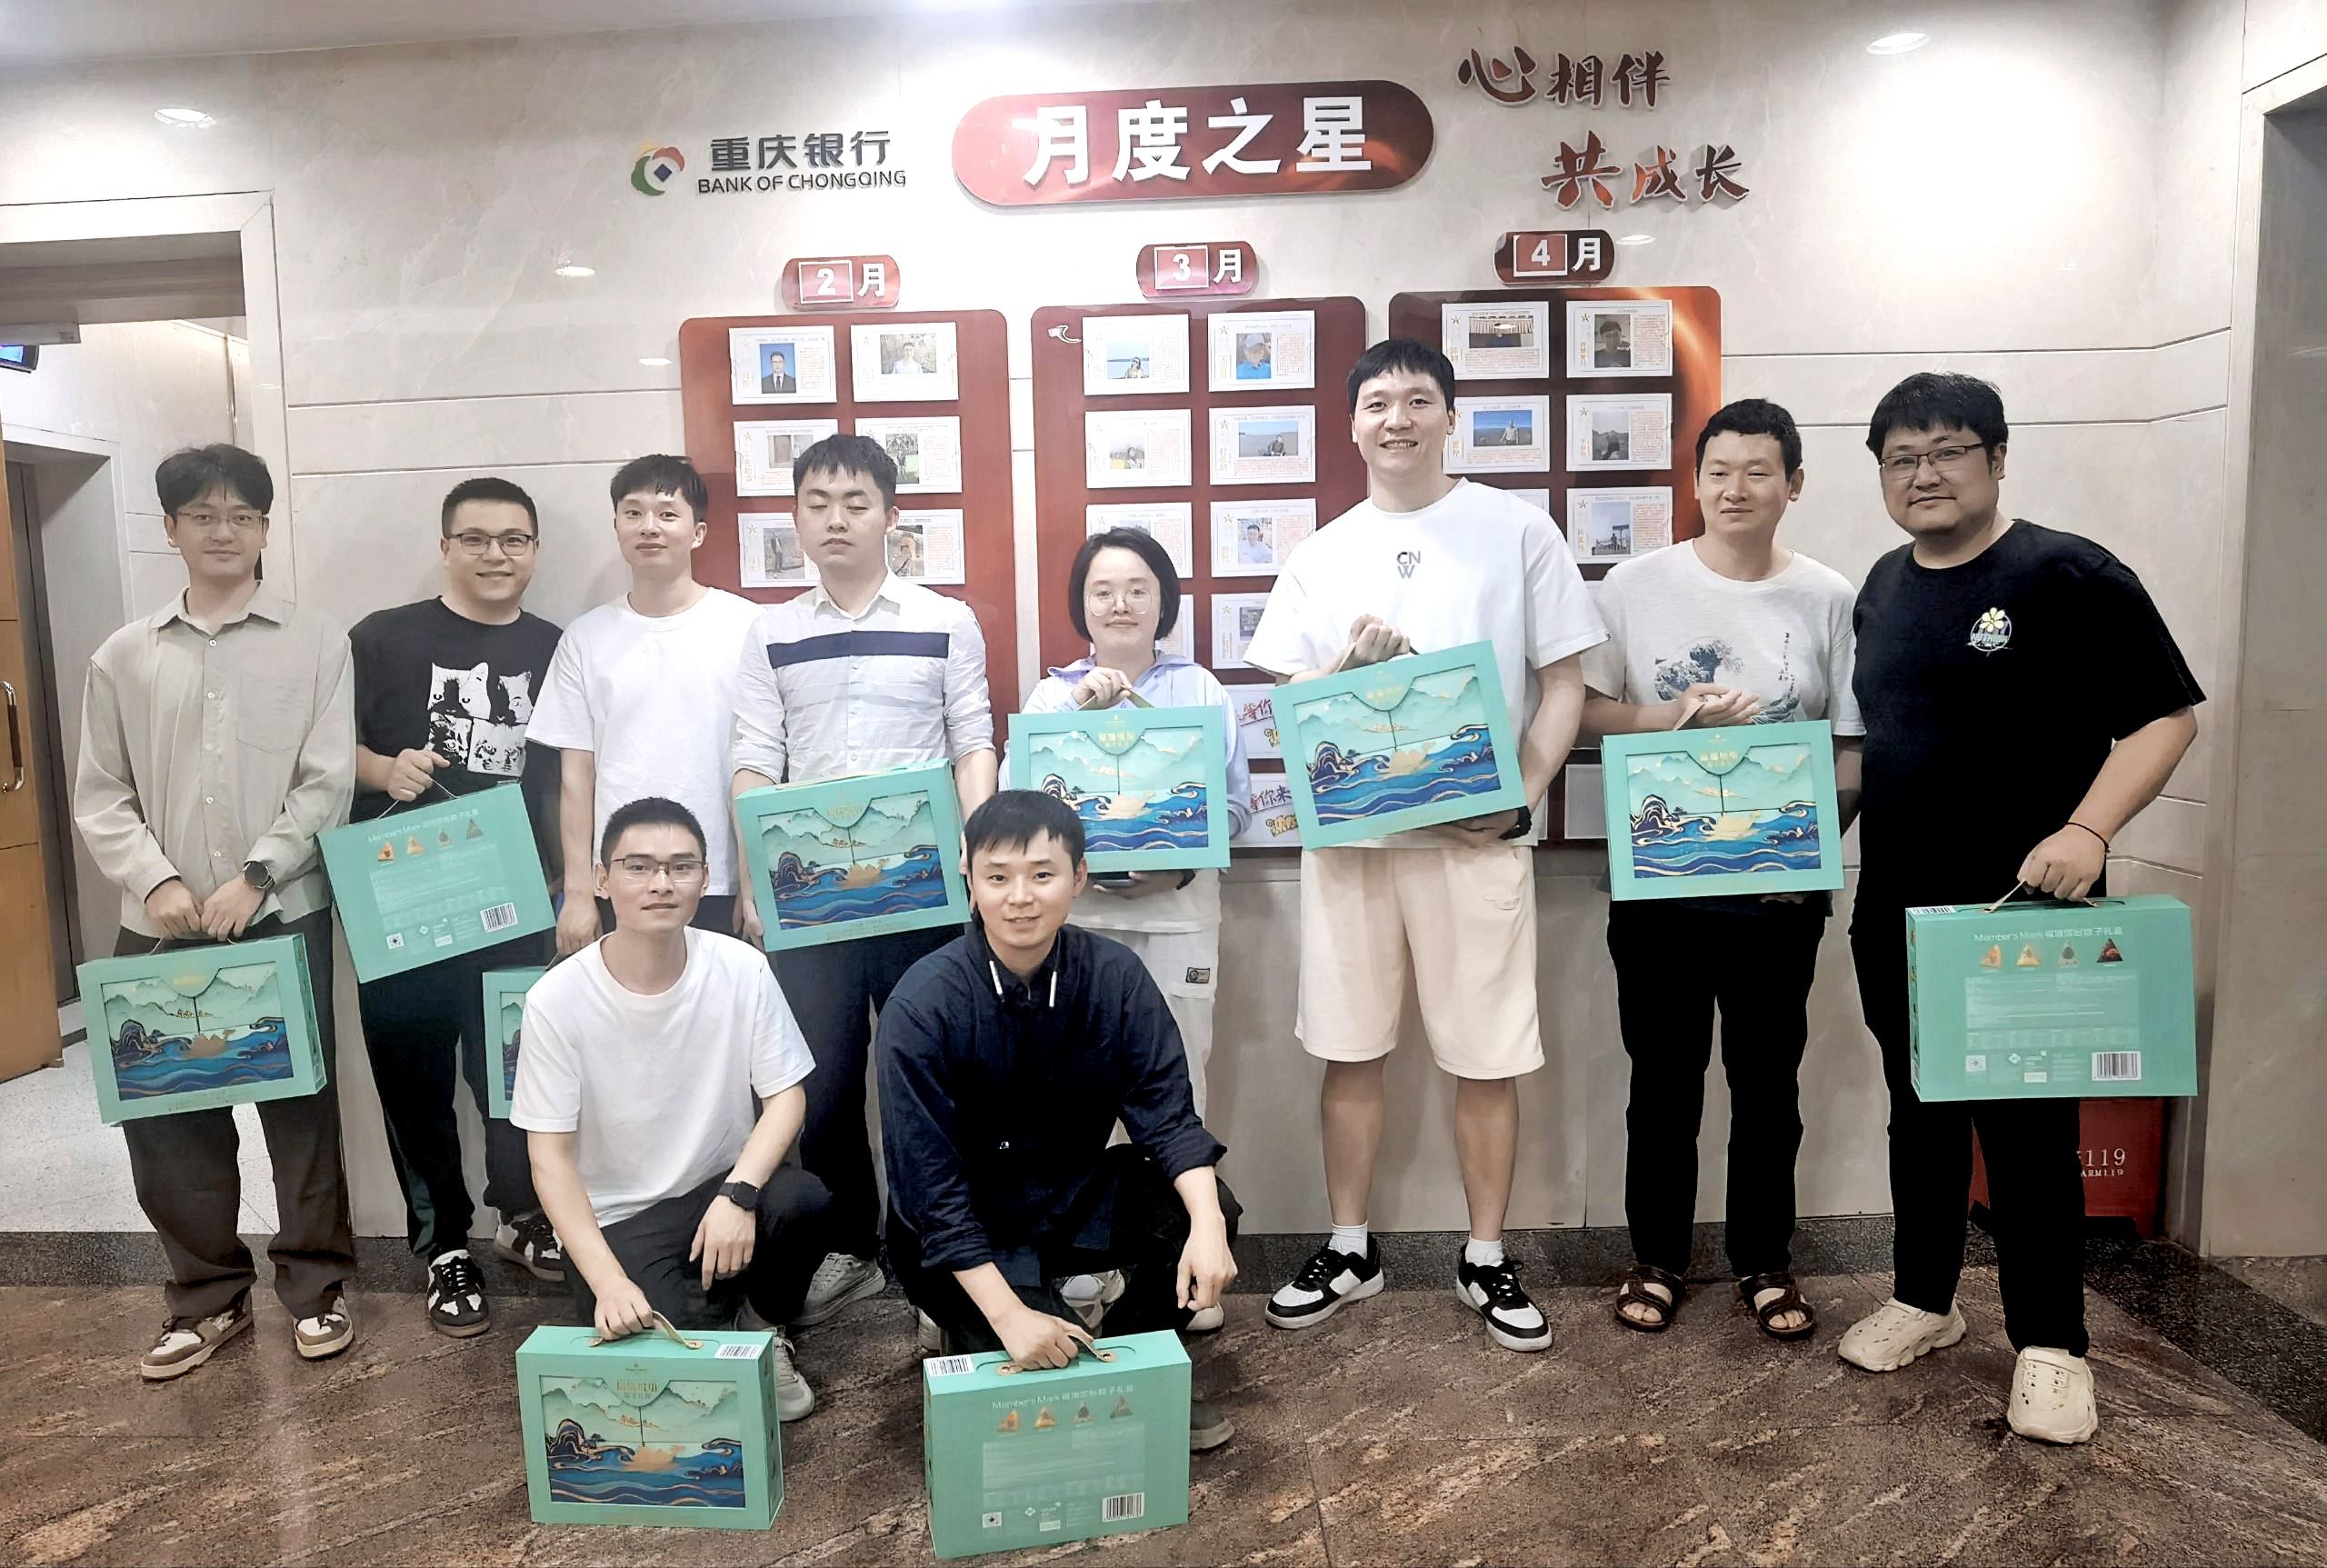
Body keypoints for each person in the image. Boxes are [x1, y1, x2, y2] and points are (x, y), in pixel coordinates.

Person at [1840, 374, 2202, 1444]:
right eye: (1900, 459)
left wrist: (2087, 830)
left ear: (1997, 459)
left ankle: (2051, 1345)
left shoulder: (2068, 574)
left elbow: (2165, 720)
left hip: (2023, 912)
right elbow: (1875, 746)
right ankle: (1924, 1297)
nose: (1924, 475)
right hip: (1898, 911)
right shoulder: (1881, 585)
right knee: (1917, 1109)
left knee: (2029, 1130)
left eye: (1947, 450)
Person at [1243, 338, 1603, 1353]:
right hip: (1352, 847)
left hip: (1473, 845)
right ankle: (1349, 1245)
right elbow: (1291, 704)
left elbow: (1565, 681)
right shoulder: (1321, 552)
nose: (1396, 418)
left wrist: (1520, 797)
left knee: (1487, 1053)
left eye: (1416, 400)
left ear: (1451, 416)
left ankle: (1484, 1253)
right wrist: (1340, 678)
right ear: (1351, 426)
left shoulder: (1515, 529)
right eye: (1376, 403)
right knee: (1349, 1044)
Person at [1578, 398, 1863, 1341]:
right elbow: (1585, 712)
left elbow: (1850, 741)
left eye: (1757, 471)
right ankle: (1657, 1258)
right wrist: (1671, 718)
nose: (1734, 489)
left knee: (1768, 1084)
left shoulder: (1827, 596)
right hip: (1658, 883)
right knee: (1661, 1081)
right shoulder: (1633, 585)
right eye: (1717, 471)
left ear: (1793, 484)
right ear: (1694, 481)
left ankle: (1764, 1260)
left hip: (1779, 893)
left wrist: (1808, 837)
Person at [74, 444, 359, 1379]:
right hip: (160, 922)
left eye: (242, 515)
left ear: (266, 528)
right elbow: (101, 793)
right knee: (168, 1117)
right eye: (202, 515)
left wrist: (257, 875)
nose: (223, 531)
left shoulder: (316, 641)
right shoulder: (124, 655)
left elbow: (326, 782)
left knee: (300, 1109)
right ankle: (206, 1298)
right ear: (171, 529)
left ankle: (317, 1288)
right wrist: (155, 881)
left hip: (279, 909)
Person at [878, 792, 1241, 1452]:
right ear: (969, 879)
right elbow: (929, 1192)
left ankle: (1137, 1371)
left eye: (1042, 874)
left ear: (1078, 878)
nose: (1020, 898)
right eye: (998, 877)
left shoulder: (1116, 977)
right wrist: (1007, 1315)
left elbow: (1167, 1120)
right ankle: (986, 1326)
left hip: (1070, 1194)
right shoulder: (922, 1003)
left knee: (1201, 1207)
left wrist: (1209, 1227)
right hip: (960, 1224)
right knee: (1028, 1400)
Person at [731, 433, 997, 1330]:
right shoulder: (770, 632)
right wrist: (754, 883)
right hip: (810, 903)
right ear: (796, 516)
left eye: (855, 501)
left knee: (932, 1076)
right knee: (824, 1084)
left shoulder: (945, 618)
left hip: (924, 892)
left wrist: (979, 860)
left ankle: (939, 1258)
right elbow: (754, 760)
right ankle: (849, 1250)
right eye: (817, 502)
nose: (836, 518)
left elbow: (972, 743)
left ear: (891, 514)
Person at [514, 797, 833, 1421]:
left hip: (717, 1190)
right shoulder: (556, 999)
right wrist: (609, 1282)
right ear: (602, 879)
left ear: (705, 879)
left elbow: (786, 1096)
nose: (661, 883)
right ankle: (702, 1313)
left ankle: (762, 1327)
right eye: (638, 866)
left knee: (804, 1200)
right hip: (621, 1217)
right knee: (668, 1375)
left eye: (681, 866)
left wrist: (739, 1193)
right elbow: (548, 1160)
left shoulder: (741, 968)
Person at [346, 476, 567, 1336]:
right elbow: (316, 747)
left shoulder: (555, 646)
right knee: (413, 1077)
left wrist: (568, 879)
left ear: (535, 550)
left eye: (513, 539)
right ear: (445, 547)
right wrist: (381, 769)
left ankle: (524, 1213)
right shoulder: (381, 638)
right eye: (475, 539)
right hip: (402, 898)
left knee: (516, 1069)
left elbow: (569, 768)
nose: (494, 555)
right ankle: (444, 1245)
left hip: (516, 900)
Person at [1014, 528, 1253, 1127]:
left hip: (1178, 918)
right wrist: (1075, 714)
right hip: (1077, 923)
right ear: (1082, 605)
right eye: (1102, 592)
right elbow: (1011, 805)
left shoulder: (1199, 689)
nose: (1120, 605)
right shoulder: (1050, 697)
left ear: (1162, 601)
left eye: (1138, 590)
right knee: (1075, 1092)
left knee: (1178, 1078)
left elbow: (1236, 807)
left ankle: (1179, 1192)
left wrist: (1181, 866)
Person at [529, 455, 763, 953]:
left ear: (698, 532)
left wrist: (755, 881)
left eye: (667, 513)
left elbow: (761, 764)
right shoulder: (585, 638)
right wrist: (579, 892)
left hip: (718, 874)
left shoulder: (748, 627)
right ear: (616, 526)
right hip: (620, 878)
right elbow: (576, 777)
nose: (649, 527)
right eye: (633, 513)